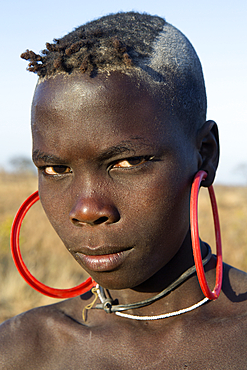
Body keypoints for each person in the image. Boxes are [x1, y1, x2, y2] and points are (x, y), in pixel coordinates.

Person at [0, 11, 246, 369]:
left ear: (205, 154)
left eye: (128, 163)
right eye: (55, 169)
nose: (86, 209)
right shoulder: (21, 350)